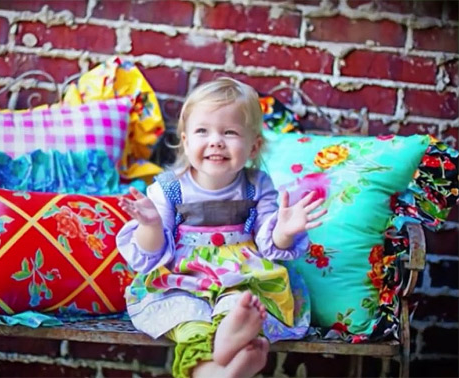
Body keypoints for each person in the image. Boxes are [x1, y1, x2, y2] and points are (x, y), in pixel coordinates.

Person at [116, 77, 326, 378]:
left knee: (241, 303)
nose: (216, 141)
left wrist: (285, 231)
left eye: (229, 132)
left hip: (241, 275)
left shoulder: (257, 185)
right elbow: (152, 252)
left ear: (254, 146)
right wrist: (149, 224)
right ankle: (220, 369)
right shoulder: (168, 188)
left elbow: (269, 242)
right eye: (203, 131)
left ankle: (231, 333)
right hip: (183, 278)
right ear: (186, 141)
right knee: (189, 318)